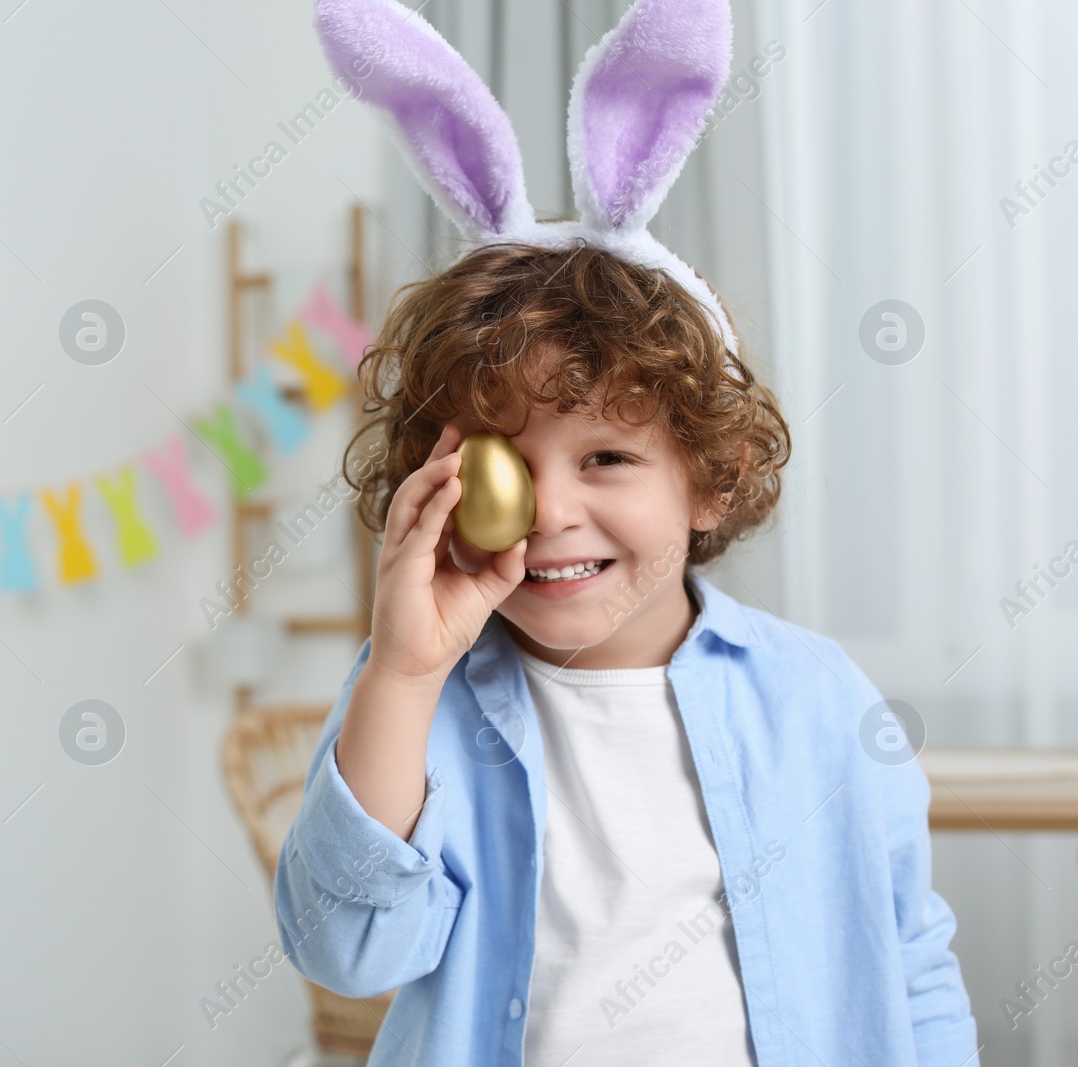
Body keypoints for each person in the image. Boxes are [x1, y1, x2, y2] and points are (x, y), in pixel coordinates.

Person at [275, 1, 979, 1063]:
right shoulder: (422, 699)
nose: (551, 510)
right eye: (504, 465)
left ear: (711, 479)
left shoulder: (817, 698)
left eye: (606, 458)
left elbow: (908, 956)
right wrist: (406, 673)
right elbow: (346, 949)